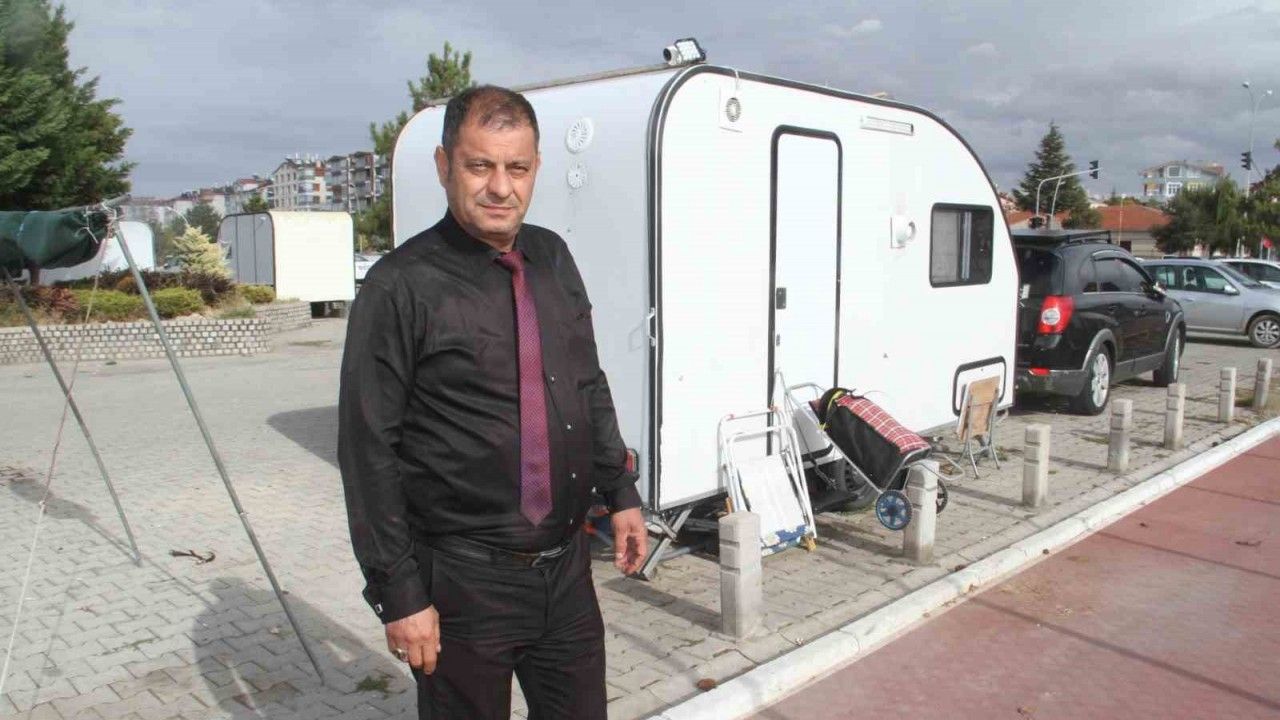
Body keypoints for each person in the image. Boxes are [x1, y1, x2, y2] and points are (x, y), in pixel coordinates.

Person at [338, 84, 648, 719]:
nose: (501, 187)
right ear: (444, 165)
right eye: (480, 166)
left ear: (536, 168)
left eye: (518, 168)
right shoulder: (399, 287)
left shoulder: (551, 257)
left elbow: (586, 383)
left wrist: (621, 493)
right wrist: (400, 594)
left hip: (566, 573)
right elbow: (369, 453)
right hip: (463, 585)